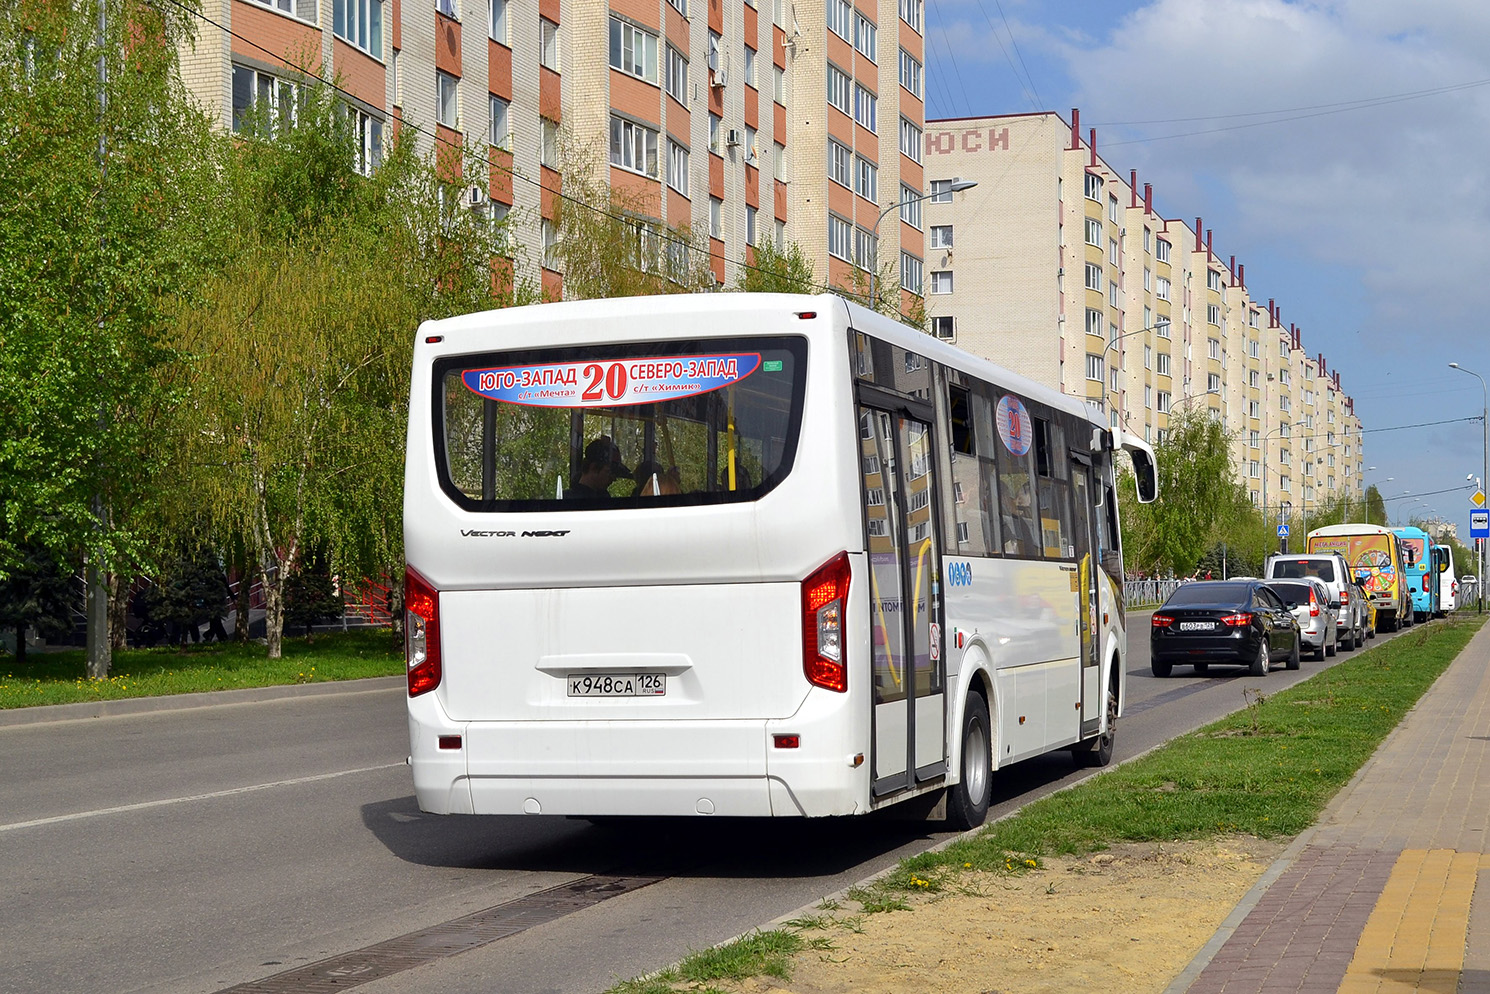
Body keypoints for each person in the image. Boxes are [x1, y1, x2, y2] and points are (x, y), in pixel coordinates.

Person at [565, 436, 631, 498]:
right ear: (593, 467)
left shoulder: (603, 497)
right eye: (609, 472)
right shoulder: (568, 500)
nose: (614, 478)